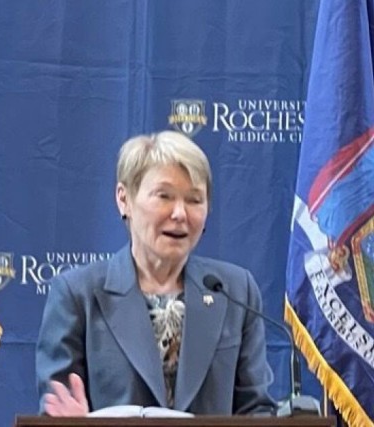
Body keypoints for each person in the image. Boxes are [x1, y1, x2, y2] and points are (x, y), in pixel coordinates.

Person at [36, 131, 277, 416]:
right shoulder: (77, 294)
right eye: (164, 196)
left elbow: (256, 409)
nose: (180, 213)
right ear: (124, 199)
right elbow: (58, 408)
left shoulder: (235, 290)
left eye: (194, 200)